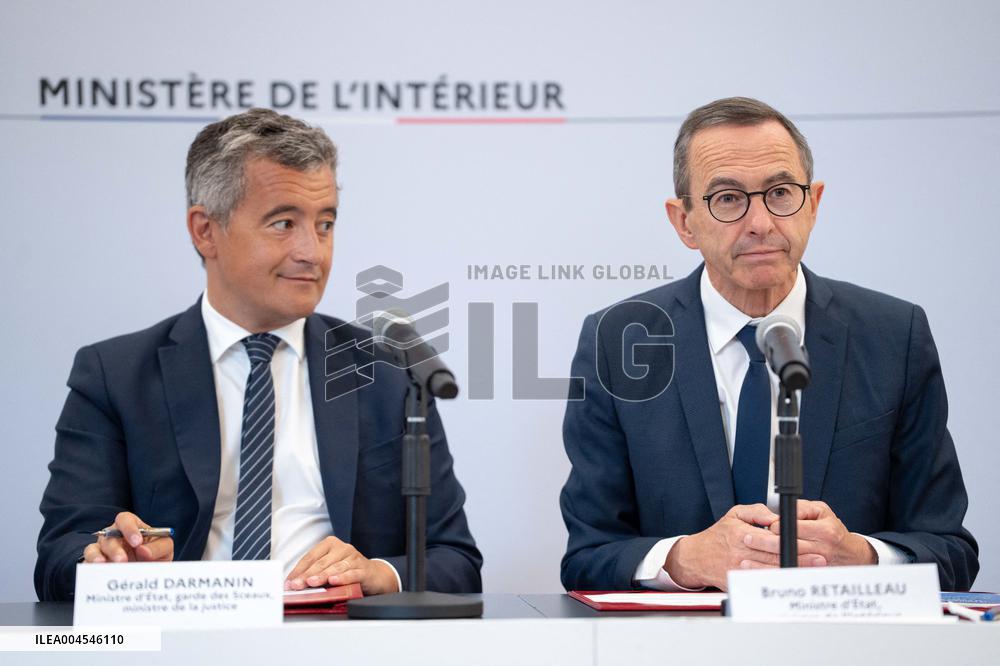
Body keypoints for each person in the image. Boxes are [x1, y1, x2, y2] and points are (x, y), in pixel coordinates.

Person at [35, 108, 481, 601]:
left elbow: (456, 561)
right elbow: (58, 556)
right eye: (284, 223)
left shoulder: (387, 373)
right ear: (205, 230)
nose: (313, 251)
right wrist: (111, 561)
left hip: (337, 635)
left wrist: (377, 573)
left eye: (325, 224)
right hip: (185, 633)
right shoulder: (115, 377)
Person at [559, 97, 978, 592]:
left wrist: (862, 556)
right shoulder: (620, 342)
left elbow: (951, 552)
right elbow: (586, 557)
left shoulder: (892, 337)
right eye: (728, 198)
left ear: (813, 204)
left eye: (780, 193)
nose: (760, 223)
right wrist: (682, 559)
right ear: (684, 222)